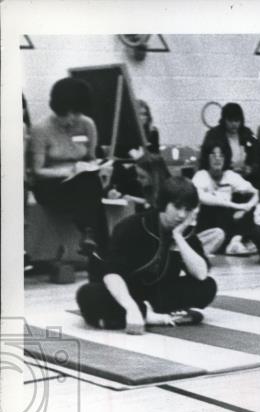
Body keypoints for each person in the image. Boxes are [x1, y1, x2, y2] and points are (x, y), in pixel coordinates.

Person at [75, 177, 216, 333]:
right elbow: (112, 275)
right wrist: (131, 307)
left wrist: (178, 238)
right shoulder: (132, 226)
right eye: (177, 207)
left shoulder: (184, 231)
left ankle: (129, 316)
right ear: (164, 203)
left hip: (154, 292)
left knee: (207, 286)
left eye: (187, 209)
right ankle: (147, 315)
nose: (182, 215)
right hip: (121, 288)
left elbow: (201, 274)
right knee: (88, 295)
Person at [29, 77, 112, 257]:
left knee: (90, 183)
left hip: (82, 181)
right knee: (91, 194)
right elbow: (37, 170)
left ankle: (90, 236)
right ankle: (98, 242)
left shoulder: (87, 124)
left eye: (77, 113)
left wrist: (102, 168)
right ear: (57, 109)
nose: (72, 119)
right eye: (66, 114)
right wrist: (67, 171)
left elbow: (92, 158)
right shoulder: (41, 129)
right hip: (50, 184)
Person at [192, 142, 259, 255]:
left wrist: (247, 207)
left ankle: (234, 242)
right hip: (206, 223)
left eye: (221, 155)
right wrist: (237, 206)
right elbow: (202, 198)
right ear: (206, 158)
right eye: (213, 155)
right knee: (218, 208)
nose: (217, 159)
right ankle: (233, 243)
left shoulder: (230, 175)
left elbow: (256, 192)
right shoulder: (201, 175)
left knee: (249, 209)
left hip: (227, 223)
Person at [199, 102, 260, 183]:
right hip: (222, 179)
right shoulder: (213, 135)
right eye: (230, 120)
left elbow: (257, 155)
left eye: (237, 120)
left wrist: (251, 168)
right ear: (224, 120)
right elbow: (205, 162)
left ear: (241, 120)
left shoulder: (248, 133)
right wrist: (229, 170)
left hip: (247, 178)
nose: (234, 124)